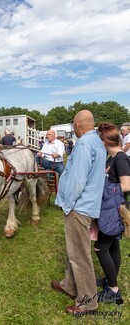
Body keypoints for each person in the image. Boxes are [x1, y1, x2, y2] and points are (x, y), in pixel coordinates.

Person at [53, 110, 106, 315]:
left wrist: (67, 205)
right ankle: (69, 284)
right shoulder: (96, 142)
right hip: (87, 205)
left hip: (79, 207)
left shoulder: (84, 144)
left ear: (76, 124)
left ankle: (87, 302)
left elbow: (77, 180)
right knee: (73, 249)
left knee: (80, 256)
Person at [94, 122, 130, 304]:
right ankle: (110, 280)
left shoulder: (121, 159)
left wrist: (104, 184)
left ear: (105, 141)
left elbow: (126, 185)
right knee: (113, 247)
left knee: (101, 248)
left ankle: (114, 290)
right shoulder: (111, 158)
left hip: (115, 210)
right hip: (110, 208)